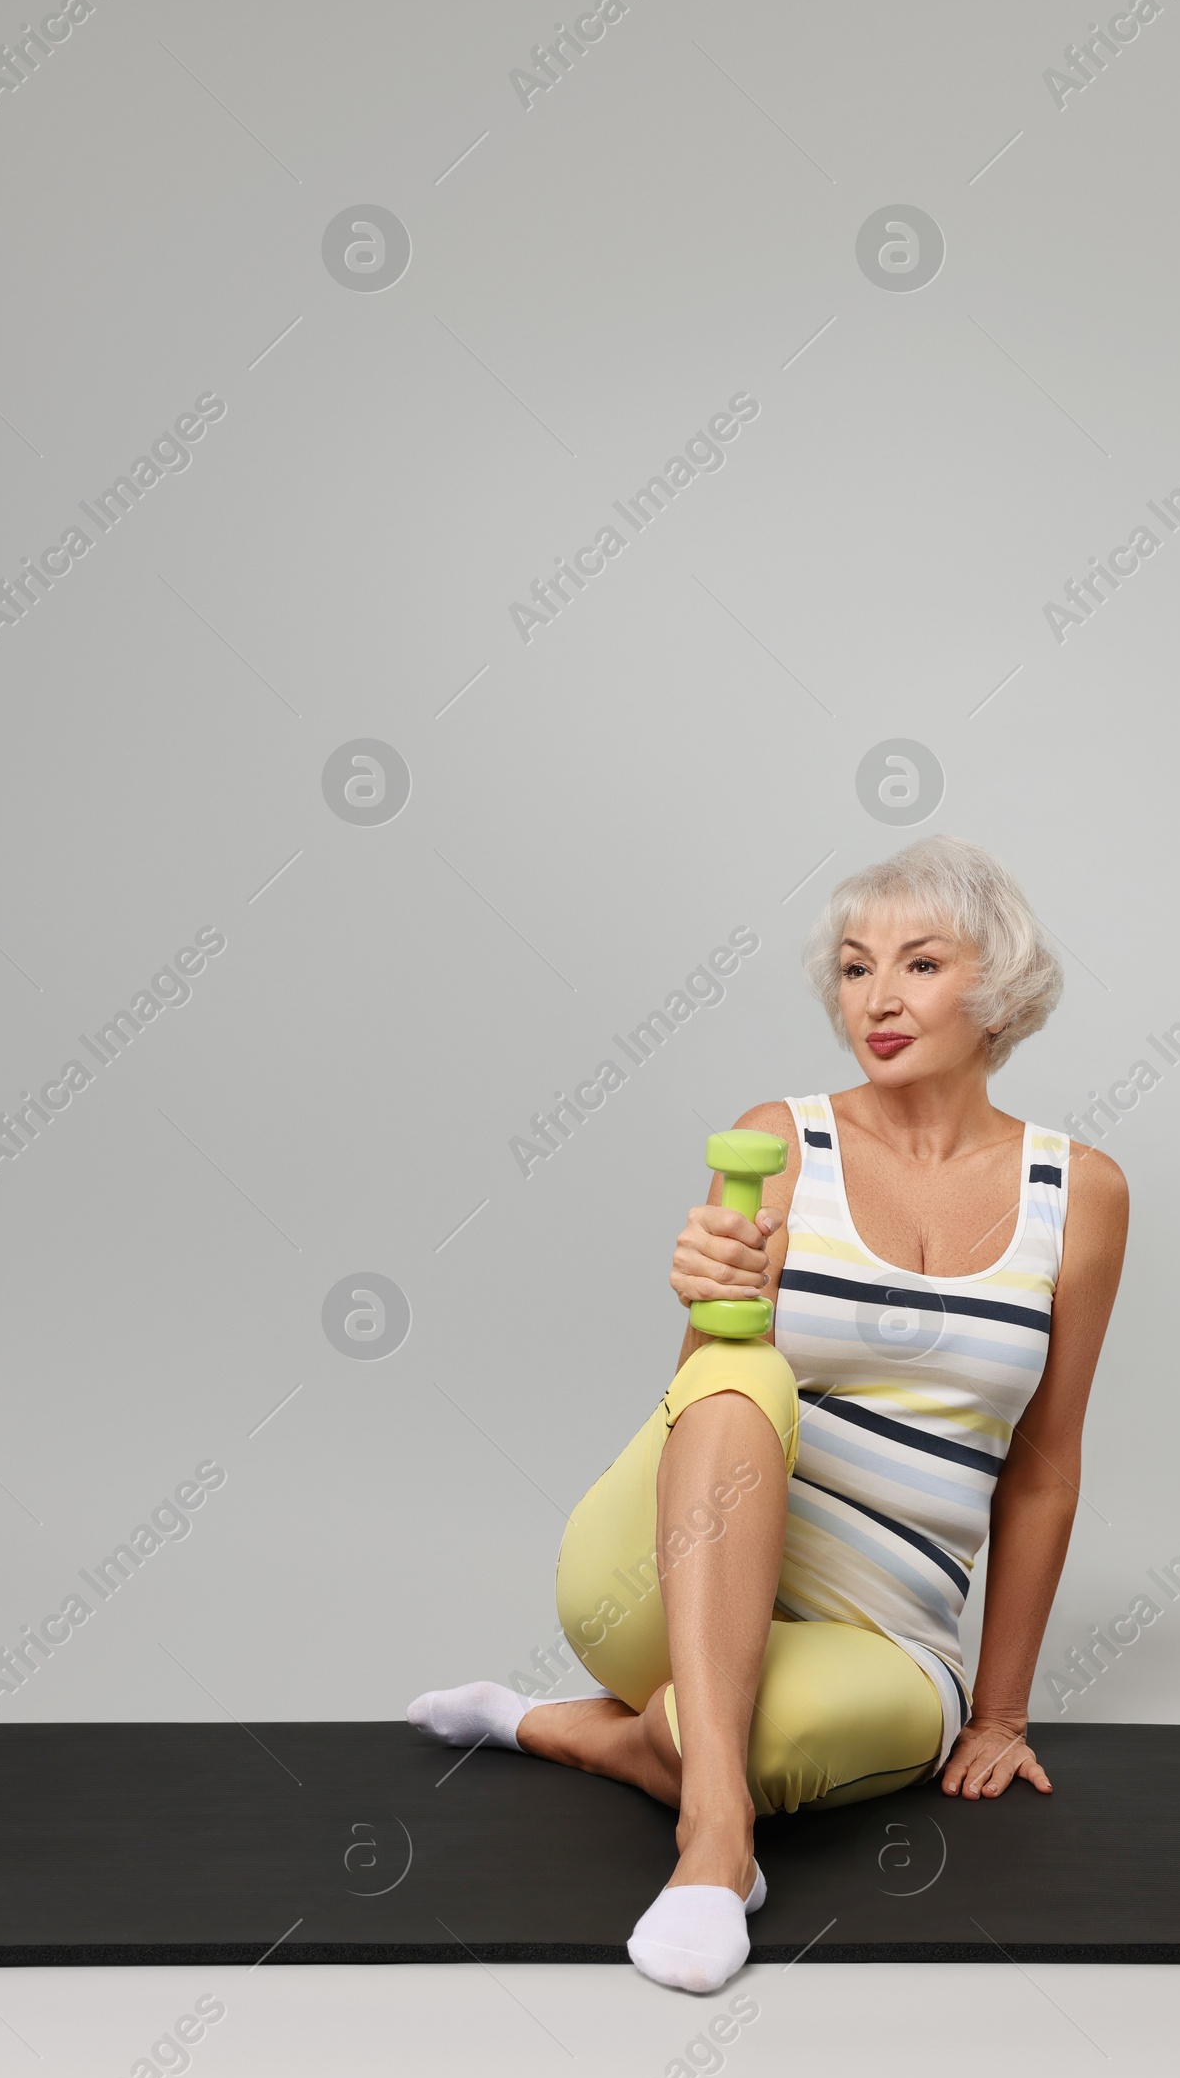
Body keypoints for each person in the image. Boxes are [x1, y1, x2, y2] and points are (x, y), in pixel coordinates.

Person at [409, 835, 1128, 1993]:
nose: (877, 999)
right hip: (661, 1576)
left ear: (994, 987)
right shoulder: (783, 1141)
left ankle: (563, 1726)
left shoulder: (1078, 1191)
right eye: (853, 969)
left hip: (885, 1639)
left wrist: (998, 1715)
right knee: (742, 1374)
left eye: (919, 964)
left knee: (755, 1738)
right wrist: (710, 1300)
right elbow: (709, 1399)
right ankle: (714, 1847)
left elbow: (1043, 1465)